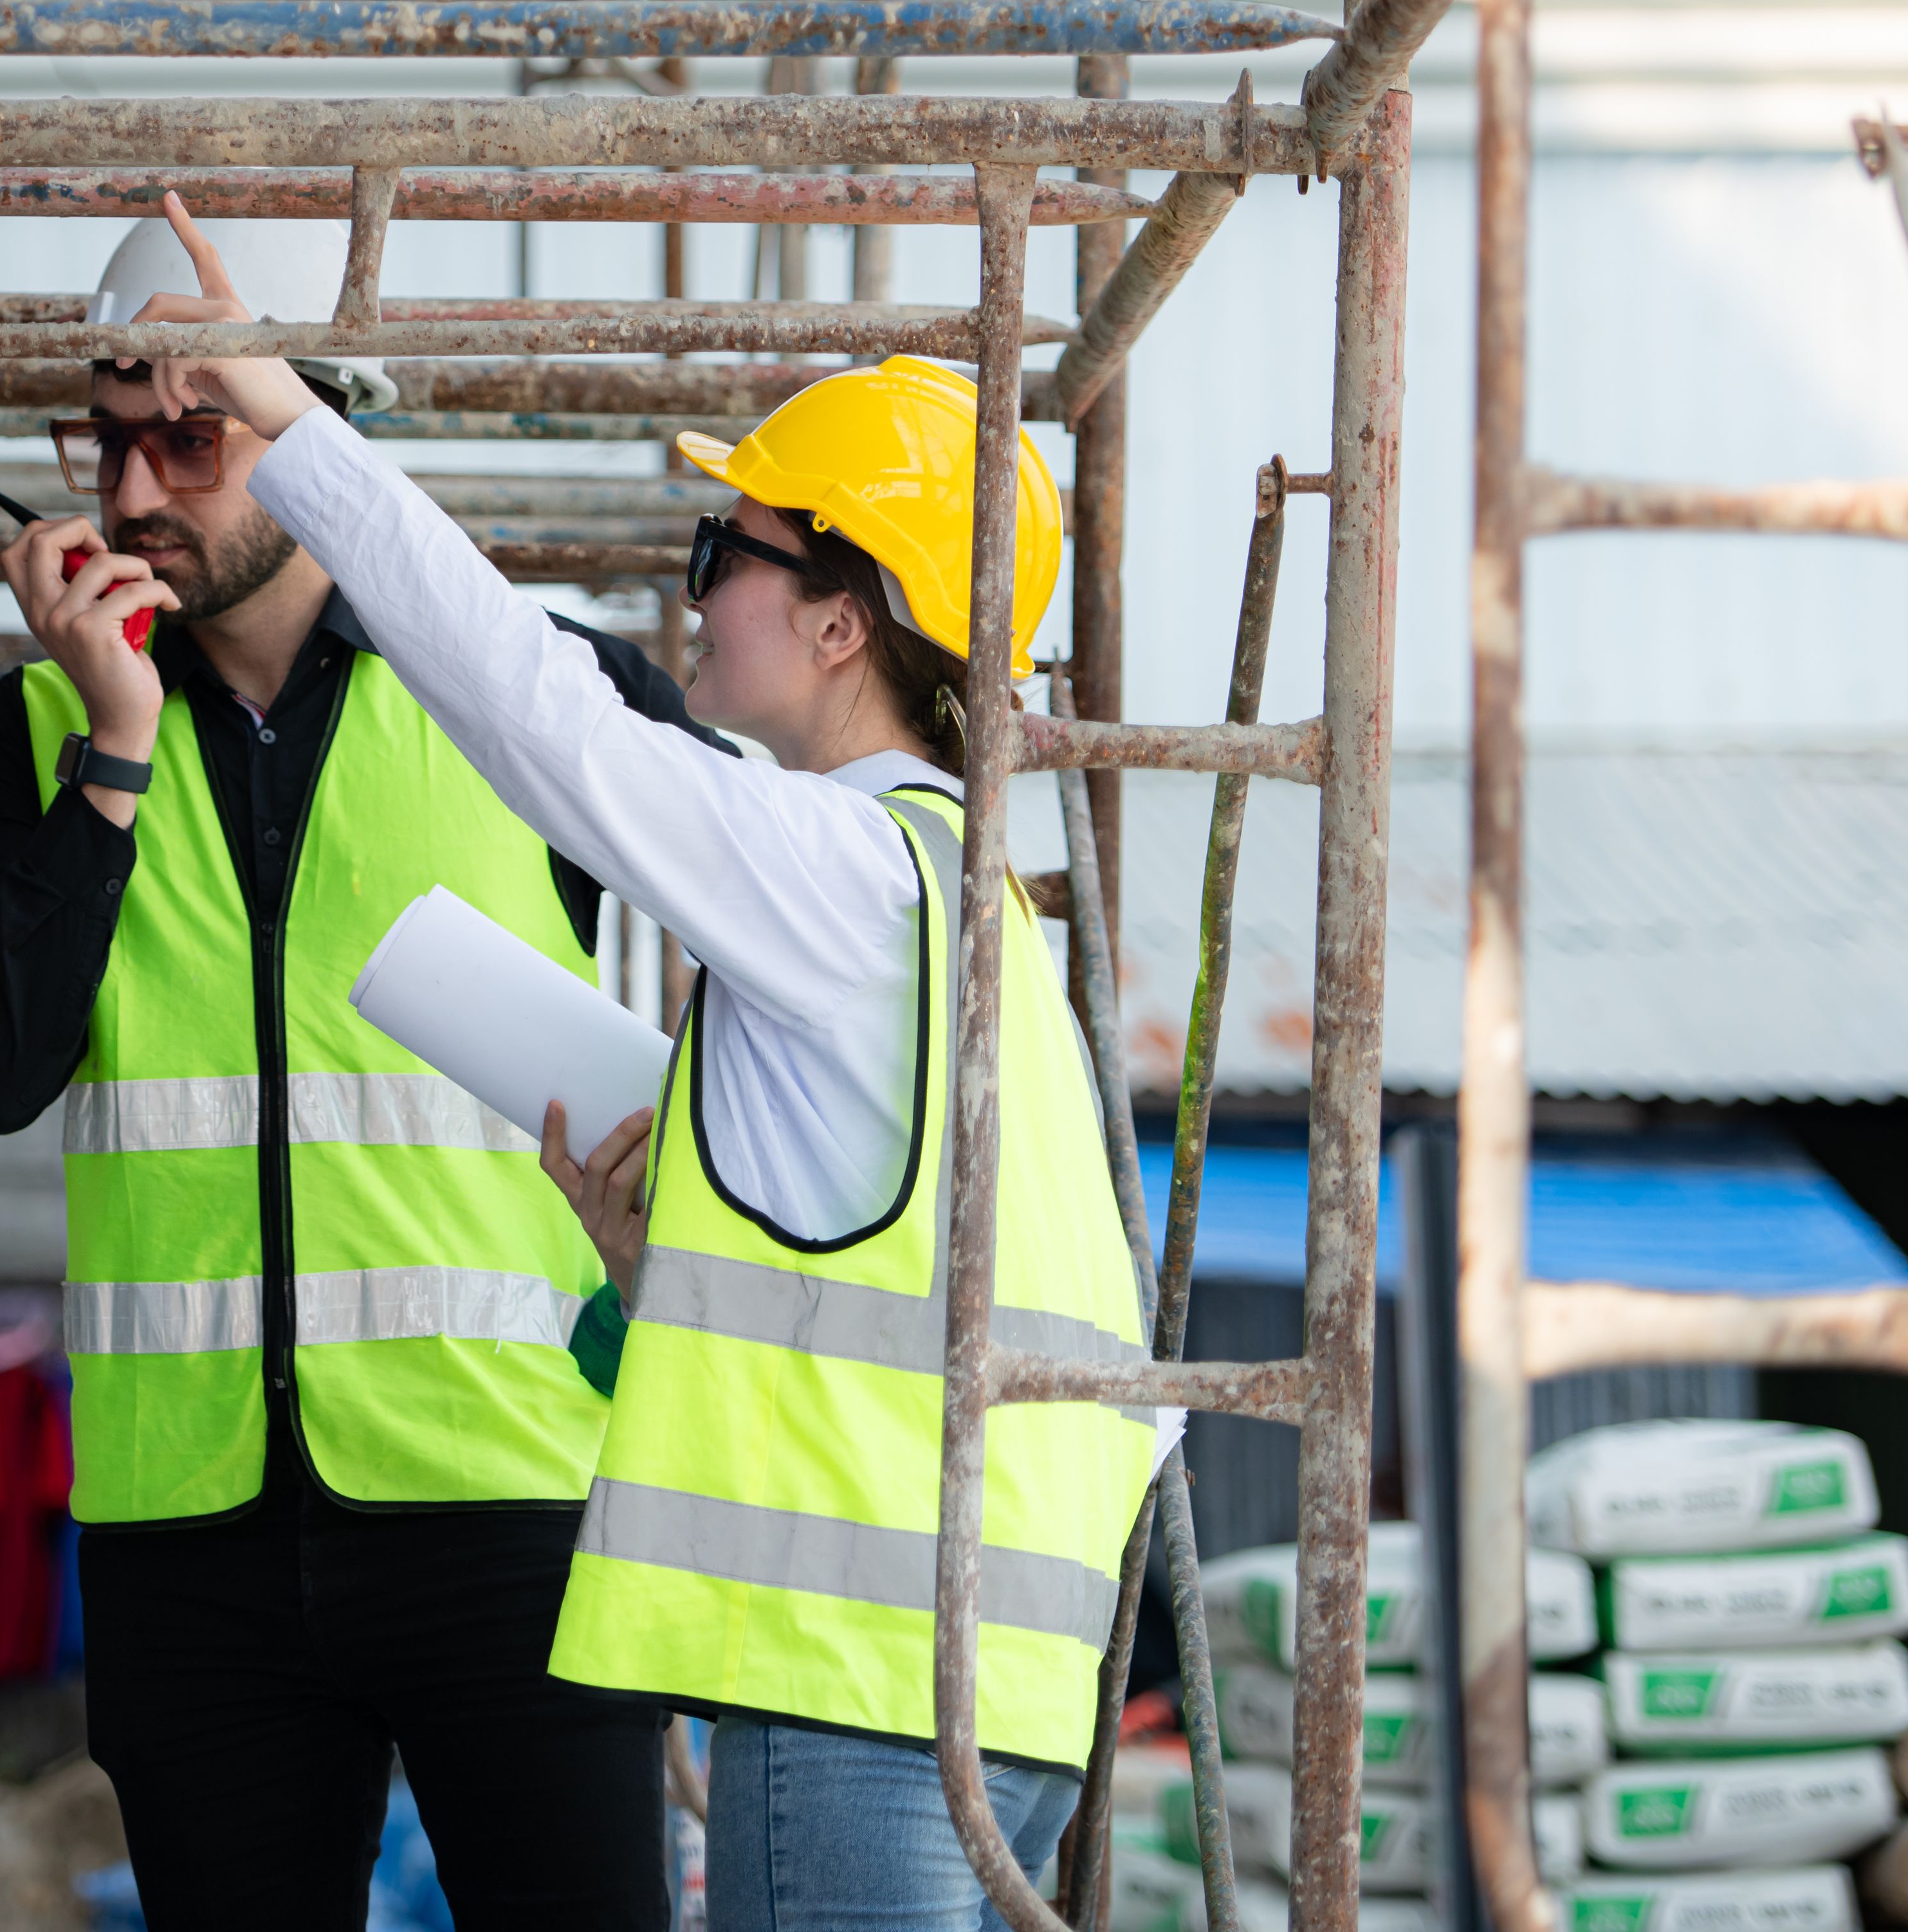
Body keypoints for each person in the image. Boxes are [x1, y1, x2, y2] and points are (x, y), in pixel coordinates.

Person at [129, 199, 1151, 1932]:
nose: (692, 596)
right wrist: (656, 1266)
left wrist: (286, 424)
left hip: (863, 1681)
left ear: (843, 622)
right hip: (977, 1684)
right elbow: (895, 1291)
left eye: (720, 556)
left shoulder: (835, 865)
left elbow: (547, 723)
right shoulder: (952, 904)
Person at [0, 211, 719, 1932]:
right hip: (182, 1540)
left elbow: (813, 948)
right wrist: (112, 762)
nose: (135, 493)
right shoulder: (42, 730)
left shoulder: (548, 698)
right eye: (106, 438)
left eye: (189, 433)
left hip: (508, 1503)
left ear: (317, 426)